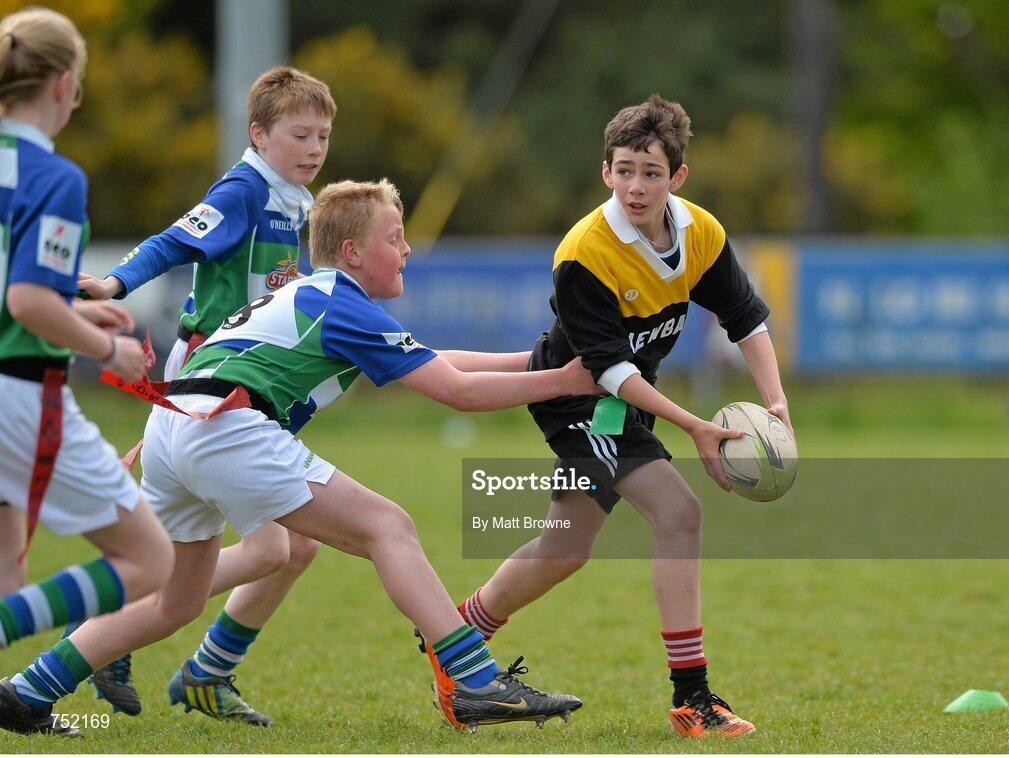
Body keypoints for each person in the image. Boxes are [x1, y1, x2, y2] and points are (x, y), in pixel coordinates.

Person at [0, 178, 596, 740]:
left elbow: (437, 360)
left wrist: (539, 363)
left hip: (172, 424)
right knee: (388, 527)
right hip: (225, 427)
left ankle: (27, 692)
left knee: (175, 600)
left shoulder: (312, 294)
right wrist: (565, 381)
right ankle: (474, 681)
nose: (408, 249)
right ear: (351, 251)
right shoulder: (344, 303)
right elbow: (458, 393)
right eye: (395, 238)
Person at [417, 95, 795, 738]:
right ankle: (693, 698)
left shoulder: (700, 231)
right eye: (623, 170)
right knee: (680, 513)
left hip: (620, 399)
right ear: (605, 172)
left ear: (677, 177)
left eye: (651, 172)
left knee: (564, 551)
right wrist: (695, 426)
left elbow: (745, 318)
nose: (636, 187)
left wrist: (776, 399)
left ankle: (454, 640)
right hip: (579, 398)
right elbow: (608, 372)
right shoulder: (585, 253)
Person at [75, 65, 335, 723]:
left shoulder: (294, 198)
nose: (313, 148)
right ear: (258, 133)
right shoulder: (245, 188)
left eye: (323, 136)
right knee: (275, 548)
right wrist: (113, 285)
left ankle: (183, 661)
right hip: (211, 380)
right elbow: (175, 240)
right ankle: (137, 644)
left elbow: (273, 287)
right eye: (300, 134)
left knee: (281, 548)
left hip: (242, 380)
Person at [0, 6, 174, 736]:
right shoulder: (54, 175)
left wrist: (75, 303)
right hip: (17, 391)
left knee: (7, 554)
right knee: (148, 559)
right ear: (66, 84)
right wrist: (110, 350)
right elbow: (26, 298)